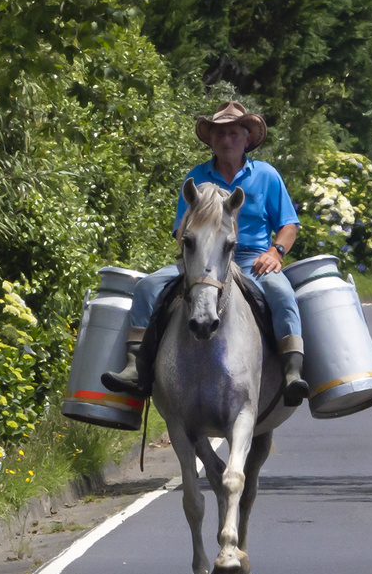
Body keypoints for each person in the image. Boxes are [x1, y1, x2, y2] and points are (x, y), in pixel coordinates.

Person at [102, 101, 308, 406]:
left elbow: (288, 224)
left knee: (281, 292)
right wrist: (195, 254)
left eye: (234, 133)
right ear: (211, 139)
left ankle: (292, 371)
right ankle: (136, 367)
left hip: (252, 258)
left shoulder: (266, 175)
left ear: (247, 139)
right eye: (220, 134)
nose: (227, 140)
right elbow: (180, 229)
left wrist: (276, 252)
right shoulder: (195, 178)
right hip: (201, 257)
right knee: (147, 287)